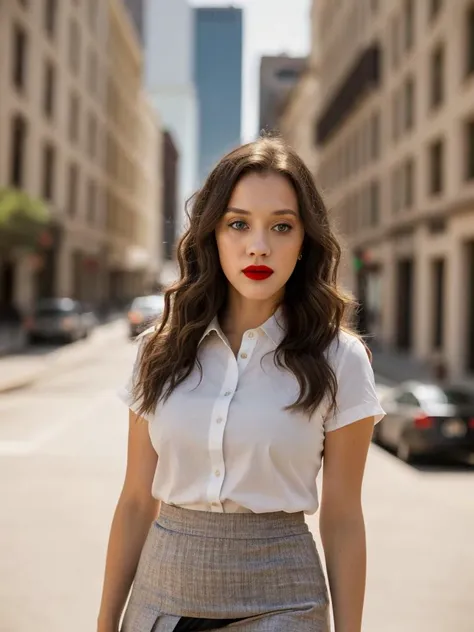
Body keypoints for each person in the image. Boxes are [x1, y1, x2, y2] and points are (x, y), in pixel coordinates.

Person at [97, 137, 385, 632]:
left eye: (281, 226)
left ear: (303, 243)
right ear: (212, 235)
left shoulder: (340, 358)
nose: (259, 245)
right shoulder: (158, 350)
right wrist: (105, 625)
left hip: (285, 607)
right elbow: (135, 501)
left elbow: (342, 517)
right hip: (158, 605)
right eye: (238, 224)